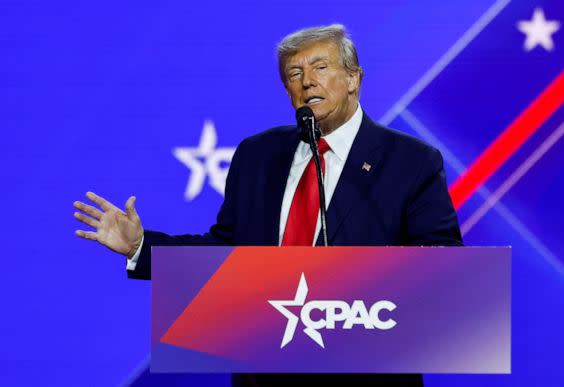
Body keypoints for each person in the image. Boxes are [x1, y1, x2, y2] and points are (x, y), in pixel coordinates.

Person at [74, 24, 462, 387]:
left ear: (353, 79)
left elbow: (441, 264)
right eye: (294, 74)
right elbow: (227, 249)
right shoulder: (258, 154)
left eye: (320, 67)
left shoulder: (410, 161)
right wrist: (142, 246)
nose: (307, 80)